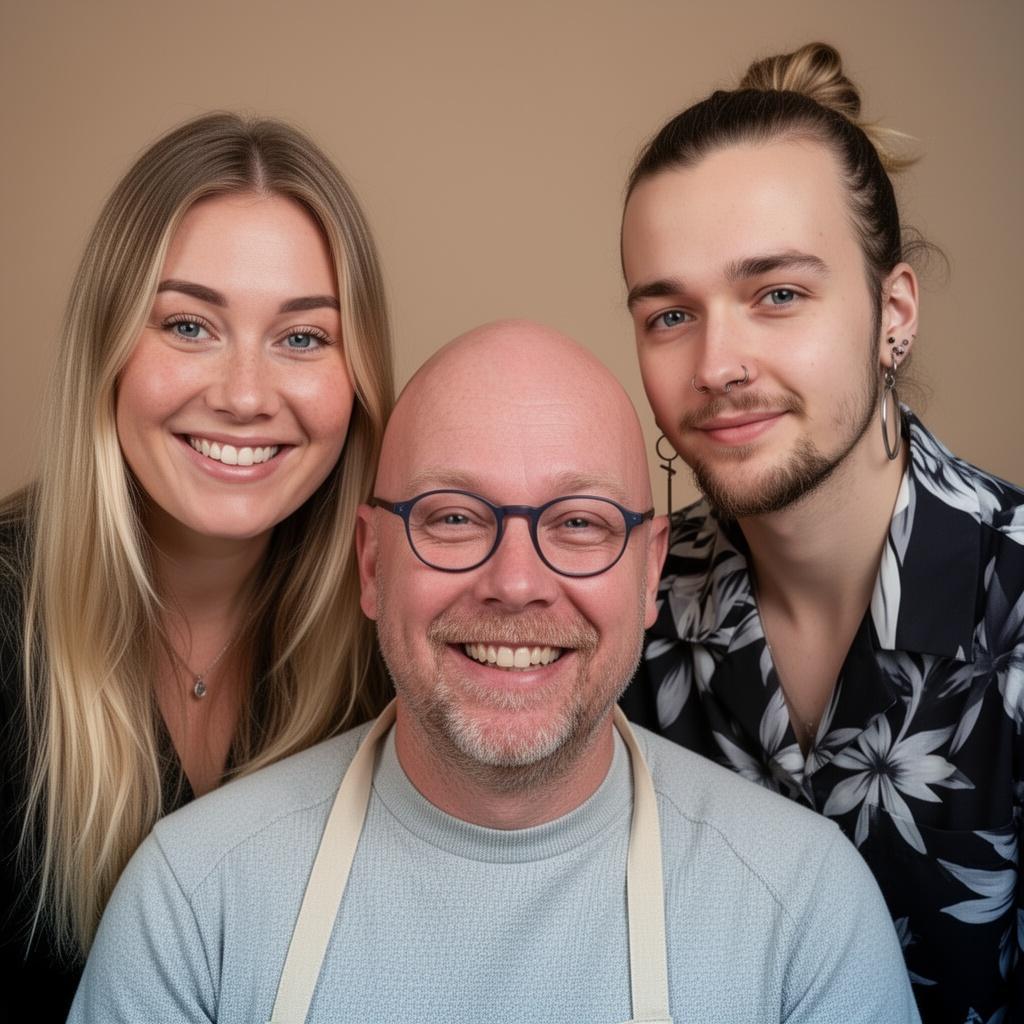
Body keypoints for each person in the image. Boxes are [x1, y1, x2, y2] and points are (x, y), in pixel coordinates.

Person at [70, 321, 918, 1023]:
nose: (515, 583)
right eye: (452, 517)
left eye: (580, 523)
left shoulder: (804, 913)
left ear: (648, 573)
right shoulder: (193, 904)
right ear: (371, 565)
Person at [618, 41, 1024, 1024]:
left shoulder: (1009, 606)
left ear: (892, 313)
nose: (717, 362)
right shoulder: (623, 606)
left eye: (778, 295)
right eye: (669, 313)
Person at [0, 113, 394, 1018]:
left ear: (358, 376)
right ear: (106, 350)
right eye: (188, 325)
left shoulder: (395, 650)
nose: (245, 396)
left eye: (302, 338)